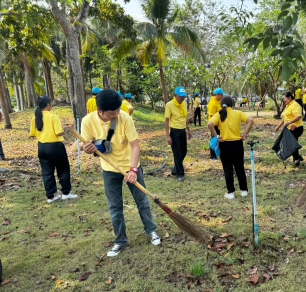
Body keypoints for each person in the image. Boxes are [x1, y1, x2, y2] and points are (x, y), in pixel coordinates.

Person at [81, 89, 161, 257]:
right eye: (113, 112)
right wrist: (87, 149)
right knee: (115, 207)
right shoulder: (87, 121)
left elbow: (135, 145)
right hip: (110, 169)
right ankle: (120, 241)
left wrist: (133, 169)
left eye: (118, 110)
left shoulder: (124, 118)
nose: (117, 114)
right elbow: (89, 147)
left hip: (130, 165)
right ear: (100, 111)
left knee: (142, 201)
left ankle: (151, 230)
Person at [30, 96, 78, 203]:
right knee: (63, 169)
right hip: (55, 146)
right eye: (50, 103)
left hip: (42, 147)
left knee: (47, 172)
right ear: (47, 104)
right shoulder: (53, 116)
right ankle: (66, 193)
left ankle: (50, 196)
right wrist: (65, 129)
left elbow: (33, 134)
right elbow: (58, 132)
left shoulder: (35, 117)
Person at [208, 95, 254, 199]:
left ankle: (231, 193)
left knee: (228, 169)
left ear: (221, 104)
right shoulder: (238, 113)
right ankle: (244, 191)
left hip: (225, 145)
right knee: (239, 168)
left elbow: (210, 124)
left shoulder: (219, 114)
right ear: (232, 104)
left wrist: (217, 136)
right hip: (237, 144)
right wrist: (245, 134)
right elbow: (250, 120)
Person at [164, 87, 192, 182]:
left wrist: (188, 130)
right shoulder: (169, 105)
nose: (182, 99)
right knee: (177, 153)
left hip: (182, 130)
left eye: (183, 97)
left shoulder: (184, 103)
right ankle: (180, 174)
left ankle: (175, 169)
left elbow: (185, 118)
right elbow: (167, 121)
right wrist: (168, 136)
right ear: (175, 95)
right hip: (174, 131)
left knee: (184, 151)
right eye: (180, 97)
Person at [274, 92, 304, 166]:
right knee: (291, 143)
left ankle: (297, 159)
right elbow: (284, 118)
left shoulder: (295, 105)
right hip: (289, 128)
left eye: (284, 98)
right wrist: (278, 126)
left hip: (296, 128)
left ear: (290, 97)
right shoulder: (288, 106)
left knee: (291, 143)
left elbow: (298, 116)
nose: (283, 100)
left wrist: (290, 122)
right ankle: (297, 158)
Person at [208, 88, 224, 160]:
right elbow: (212, 115)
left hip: (219, 124)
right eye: (221, 95)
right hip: (214, 125)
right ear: (217, 95)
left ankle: (219, 154)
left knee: (219, 138)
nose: (222, 96)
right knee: (214, 138)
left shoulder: (219, 102)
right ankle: (213, 156)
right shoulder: (212, 103)